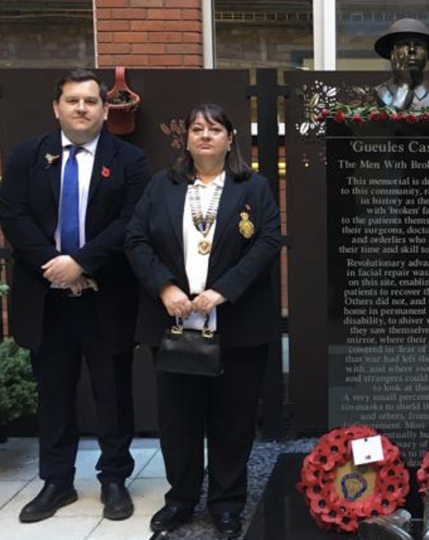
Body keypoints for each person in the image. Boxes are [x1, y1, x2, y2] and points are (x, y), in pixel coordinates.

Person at [124, 103, 281, 538]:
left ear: (231, 138)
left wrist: (223, 290)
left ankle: (228, 504)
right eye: (197, 129)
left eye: (215, 129)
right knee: (179, 420)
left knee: (233, 420)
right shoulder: (163, 186)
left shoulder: (255, 187)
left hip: (238, 324)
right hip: (173, 322)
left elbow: (268, 241)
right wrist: (165, 288)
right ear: (187, 139)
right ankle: (181, 500)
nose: (205, 135)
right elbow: (135, 239)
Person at [0, 69, 149, 523]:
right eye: (72, 100)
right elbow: (14, 214)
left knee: (112, 393)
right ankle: (57, 482)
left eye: (90, 101)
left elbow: (131, 220)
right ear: (56, 108)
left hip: (106, 295)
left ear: (105, 109)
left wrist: (81, 263)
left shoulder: (129, 160)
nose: (81, 108)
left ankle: (114, 479)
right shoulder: (28, 155)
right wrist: (58, 267)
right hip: (45, 297)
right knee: (55, 393)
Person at [373, 18, 429, 110]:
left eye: (418, 44)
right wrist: (404, 85)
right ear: (392, 54)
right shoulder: (382, 91)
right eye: (404, 44)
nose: (412, 50)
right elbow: (392, 118)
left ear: (427, 54)